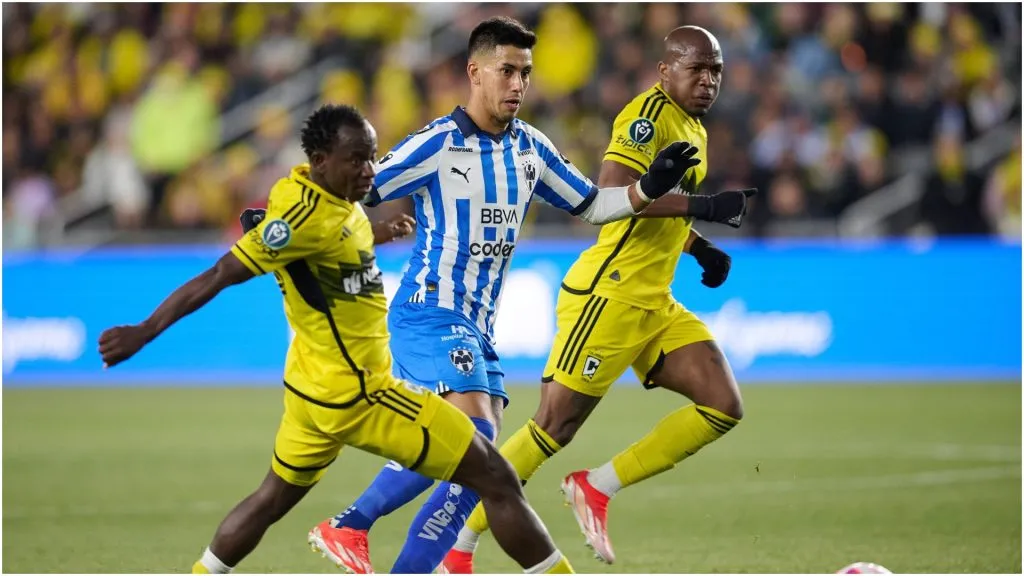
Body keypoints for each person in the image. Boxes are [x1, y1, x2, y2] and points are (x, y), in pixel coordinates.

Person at [309, 17, 751, 576]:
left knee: (481, 464)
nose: (518, 84)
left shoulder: (531, 148)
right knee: (475, 437)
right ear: (475, 72)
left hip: (478, 325)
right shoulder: (438, 144)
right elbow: (355, 186)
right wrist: (280, 218)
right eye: (506, 71)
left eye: (525, 73)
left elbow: (594, 206)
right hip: (430, 310)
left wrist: (648, 188)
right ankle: (351, 523)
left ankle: (399, 560)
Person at [97, 103, 577, 575]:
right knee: (495, 475)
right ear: (321, 161)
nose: (369, 171)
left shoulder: (334, 199)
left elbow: (337, 235)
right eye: (356, 160)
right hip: (359, 393)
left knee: (270, 499)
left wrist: (380, 231)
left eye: (371, 157)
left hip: (310, 392)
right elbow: (221, 273)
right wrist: (144, 331)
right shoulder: (300, 219)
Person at [443, 25, 752, 572]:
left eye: (716, 71)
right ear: (666, 70)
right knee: (553, 427)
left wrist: (697, 247)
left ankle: (597, 486)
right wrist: (701, 207)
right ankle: (457, 546)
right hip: (608, 296)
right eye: (697, 69)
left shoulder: (693, 126)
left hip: (653, 301)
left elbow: (657, 208)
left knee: (722, 405)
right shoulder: (646, 117)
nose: (708, 80)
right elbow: (614, 191)